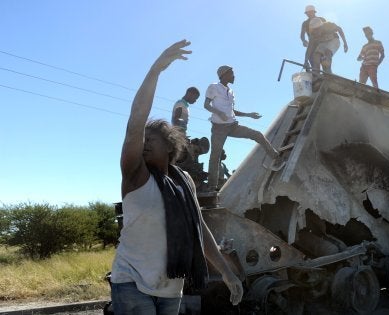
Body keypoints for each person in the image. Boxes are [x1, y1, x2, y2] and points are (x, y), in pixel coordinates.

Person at [112, 40, 243, 314]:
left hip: (172, 288)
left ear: (170, 147)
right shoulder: (135, 174)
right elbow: (136, 121)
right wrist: (155, 70)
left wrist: (227, 273)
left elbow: (199, 228)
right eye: (142, 139)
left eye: (152, 139)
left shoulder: (185, 182)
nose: (144, 142)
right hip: (131, 284)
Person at [204, 65, 281, 192]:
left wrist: (249, 115)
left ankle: (276, 158)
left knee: (257, 135)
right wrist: (218, 113)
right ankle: (212, 187)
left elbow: (232, 111)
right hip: (219, 128)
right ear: (223, 75)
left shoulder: (231, 92)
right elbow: (206, 105)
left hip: (233, 126)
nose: (234, 76)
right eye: (231, 73)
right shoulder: (214, 87)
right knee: (215, 156)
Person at [300, 5, 326, 69]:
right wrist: (304, 41)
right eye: (307, 13)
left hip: (322, 42)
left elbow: (327, 30)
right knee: (311, 58)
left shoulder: (322, 19)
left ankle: (326, 74)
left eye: (310, 12)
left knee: (324, 60)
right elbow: (302, 35)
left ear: (314, 12)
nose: (308, 14)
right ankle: (315, 73)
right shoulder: (305, 23)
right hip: (312, 42)